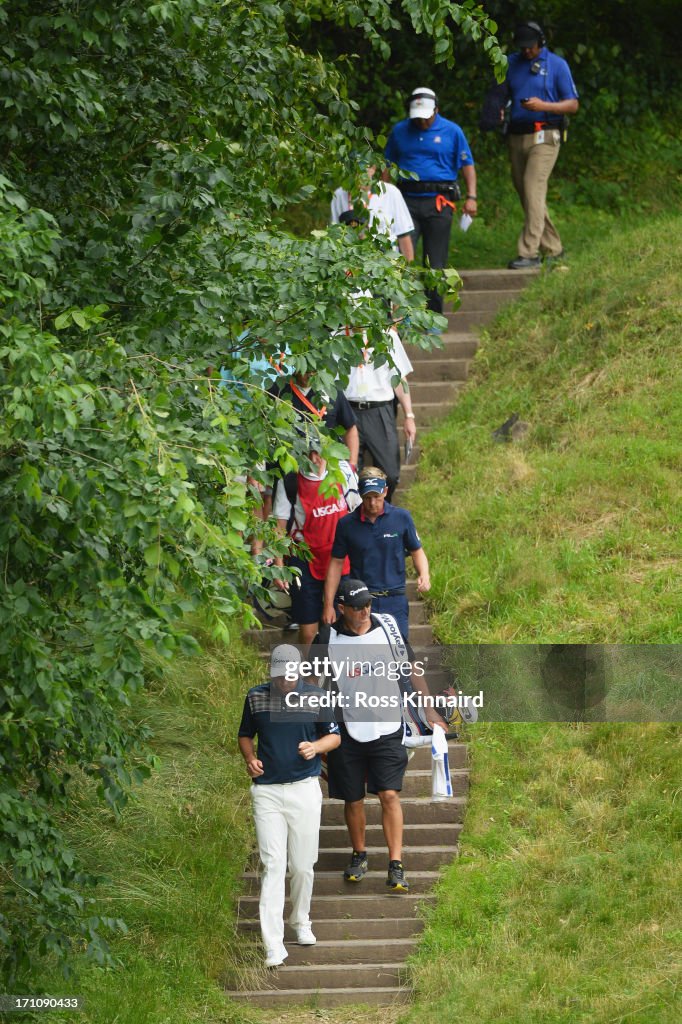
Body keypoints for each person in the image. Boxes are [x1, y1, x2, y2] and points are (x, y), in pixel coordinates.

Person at [313, 579, 447, 892]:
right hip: (346, 728)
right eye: (357, 607)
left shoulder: (387, 627)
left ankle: (396, 864)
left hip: (388, 725)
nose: (364, 611)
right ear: (342, 608)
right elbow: (313, 683)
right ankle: (359, 854)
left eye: (368, 605)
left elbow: (413, 668)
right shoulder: (327, 637)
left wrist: (428, 711)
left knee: (389, 794)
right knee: (353, 798)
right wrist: (316, 729)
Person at [237, 644, 341, 968]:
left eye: (290, 676)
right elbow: (244, 735)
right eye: (280, 676)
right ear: (272, 672)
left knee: (302, 865)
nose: (285, 681)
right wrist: (250, 758)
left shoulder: (315, 696)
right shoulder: (256, 697)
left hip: (304, 789)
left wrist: (315, 746)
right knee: (273, 865)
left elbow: (334, 738)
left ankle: (301, 920)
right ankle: (273, 945)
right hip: (267, 793)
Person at [384, 87, 478, 313]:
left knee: (435, 263)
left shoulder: (452, 131)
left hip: (439, 202)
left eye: (426, 117)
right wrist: (383, 198)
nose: (422, 122)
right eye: (418, 118)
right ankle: (396, 316)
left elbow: (467, 165)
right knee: (399, 260)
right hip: (406, 202)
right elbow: (387, 167)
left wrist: (471, 196)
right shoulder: (399, 132)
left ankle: (432, 315)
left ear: (436, 110)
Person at [504, 21, 579, 269]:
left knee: (532, 187)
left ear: (541, 43)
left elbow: (572, 105)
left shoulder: (557, 65)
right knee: (527, 193)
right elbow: (501, 94)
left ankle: (529, 253)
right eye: (523, 47)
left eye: (531, 47)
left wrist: (543, 106)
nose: (527, 51)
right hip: (517, 135)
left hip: (546, 135)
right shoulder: (511, 63)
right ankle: (554, 248)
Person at [322, 467, 430, 638]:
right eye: (367, 498)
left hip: (394, 599)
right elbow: (336, 563)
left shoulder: (402, 518)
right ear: (360, 494)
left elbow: (417, 551)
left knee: (399, 656)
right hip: (360, 602)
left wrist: (424, 574)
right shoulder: (346, 524)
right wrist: (328, 604)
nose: (372, 503)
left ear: (385, 492)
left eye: (376, 497)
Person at [272, 444, 360, 647]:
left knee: (341, 622)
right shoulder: (289, 480)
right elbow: (279, 527)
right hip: (304, 558)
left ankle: (339, 675)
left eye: (318, 453)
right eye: (308, 453)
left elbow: (356, 511)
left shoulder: (342, 472)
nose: (314, 458)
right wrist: (278, 566)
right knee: (309, 631)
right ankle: (308, 676)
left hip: (340, 557)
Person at [343, 326, 416, 499]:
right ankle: (357, 517)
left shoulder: (386, 336)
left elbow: (399, 379)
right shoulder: (338, 336)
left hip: (379, 410)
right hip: (349, 409)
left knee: (390, 473)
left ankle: (384, 511)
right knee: (349, 474)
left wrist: (409, 415)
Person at [330, 164, 415, 261]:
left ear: (373, 168)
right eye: (354, 167)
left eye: (364, 168)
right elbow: (334, 236)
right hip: (351, 263)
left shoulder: (391, 192)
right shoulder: (339, 195)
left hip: (386, 263)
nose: (359, 173)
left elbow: (403, 235)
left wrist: (408, 272)